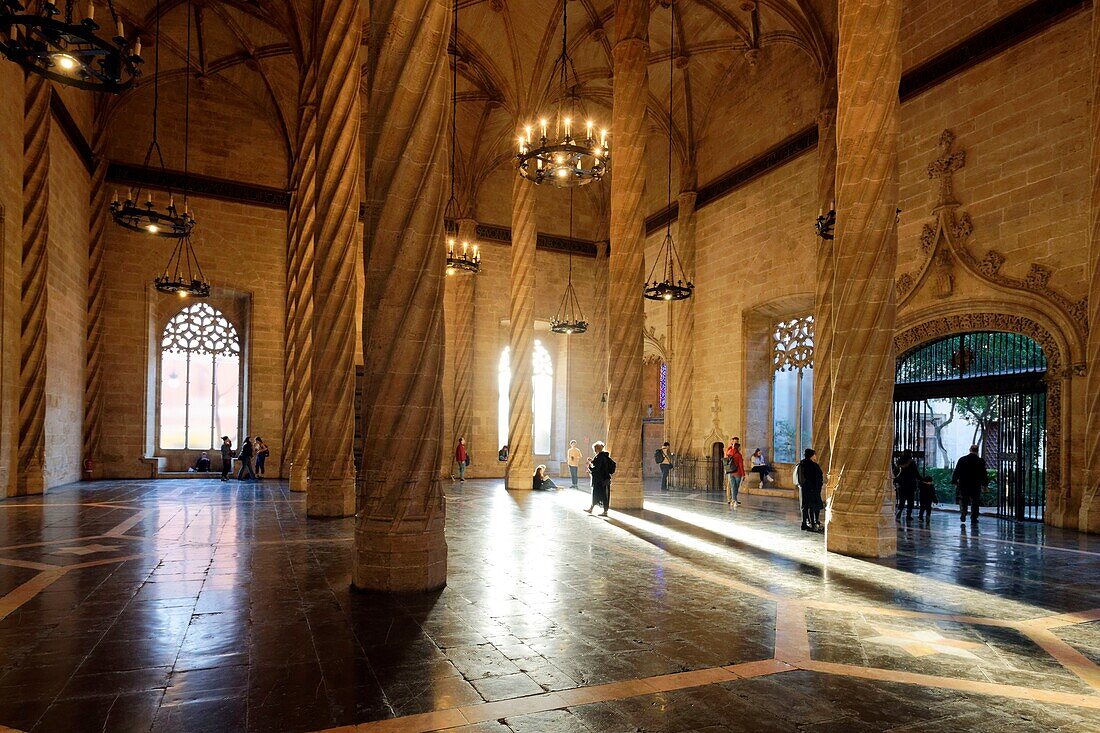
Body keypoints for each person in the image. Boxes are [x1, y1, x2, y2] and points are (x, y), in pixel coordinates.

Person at [952, 444, 988, 524]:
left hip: (964, 484)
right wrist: (985, 485)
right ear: (977, 451)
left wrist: (954, 481)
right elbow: (983, 474)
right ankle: (974, 517)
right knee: (975, 501)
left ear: (970, 450)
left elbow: (956, 471)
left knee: (963, 500)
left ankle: (963, 512)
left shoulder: (962, 459)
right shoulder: (980, 461)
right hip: (975, 484)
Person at [796, 448, 824, 531]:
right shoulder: (813, 465)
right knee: (812, 506)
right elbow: (817, 478)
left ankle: (804, 523)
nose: (815, 456)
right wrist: (817, 487)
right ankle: (813, 524)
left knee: (805, 507)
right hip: (812, 489)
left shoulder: (801, 463)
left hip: (804, 488)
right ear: (811, 455)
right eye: (814, 454)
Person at [586, 441, 616, 516]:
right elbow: (601, 465)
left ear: (596, 449)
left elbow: (597, 468)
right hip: (604, 479)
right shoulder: (604, 456)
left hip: (600, 480)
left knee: (600, 495)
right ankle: (591, 509)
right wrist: (592, 461)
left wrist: (589, 466)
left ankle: (604, 511)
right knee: (600, 495)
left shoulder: (600, 457)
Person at [893, 449, 919, 521]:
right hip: (910, 484)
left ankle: (899, 511)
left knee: (902, 499)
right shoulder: (912, 462)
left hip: (902, 483)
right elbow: (916, 473)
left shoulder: (899, 462)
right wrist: (922, 479)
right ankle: (908, 515)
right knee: (910, 500)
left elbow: (895, 472)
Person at [724, 438, 745, 506]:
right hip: (736, 472)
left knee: (733, 486)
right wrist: (743, 474)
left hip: (730, 471)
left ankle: (733, 500)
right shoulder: (737, 454)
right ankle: (732, 500)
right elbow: (741, 465)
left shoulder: (729, 451)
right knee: (733, 487)